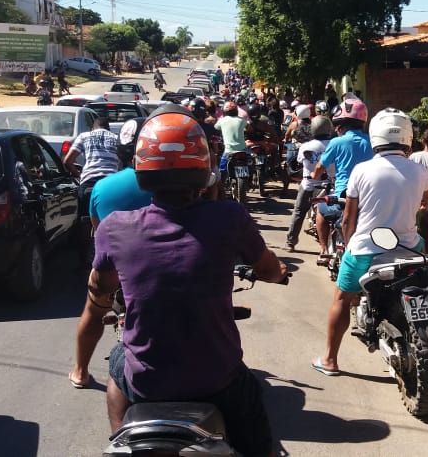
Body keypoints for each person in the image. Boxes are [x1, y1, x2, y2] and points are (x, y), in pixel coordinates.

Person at [86, 107, 288, 457]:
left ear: (142, 167)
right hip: (218, 379)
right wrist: (279, 272)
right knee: (260, 439)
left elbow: (100, 286)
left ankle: (122, 439)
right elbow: (270, 270)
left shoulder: (114, 227)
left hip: (148, 385)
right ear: (203, 167)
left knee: (119, 360)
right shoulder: (230, 217)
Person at [312, 108, 428, 376]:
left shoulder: (361, 171)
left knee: (342, 297)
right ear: (408, 136)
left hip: (366, 249)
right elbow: (426, 202)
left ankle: (330, 360)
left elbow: (348, 220)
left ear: (376, 135)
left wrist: (350, 245)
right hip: (409, 248)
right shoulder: (419, 170)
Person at [69, 116, 155, 390]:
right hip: (164, 268)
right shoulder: (178, 186)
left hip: (115, 273)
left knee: (93, 312)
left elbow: (100, 232)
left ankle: (80, 371)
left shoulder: (103, 187)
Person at [310, 96, 373, 265]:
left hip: (343, 199)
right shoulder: (372, 142)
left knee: (320, 210)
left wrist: (314, 177)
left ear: (341, 125)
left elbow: (319, 168)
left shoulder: (337, 142)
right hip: (368, 199)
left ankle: (323, 249)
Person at [285, 116, 334, 252]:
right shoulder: (335, 144)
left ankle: (290, 242)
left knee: (299, 212)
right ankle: (324, 247)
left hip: (309, 185)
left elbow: (300, 162)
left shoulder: (306, 146)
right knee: (327, 215)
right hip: (329, 186)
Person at [63, 116, 121, 219]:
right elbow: (122, 164)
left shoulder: (84, 136)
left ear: (93, 128)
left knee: (83, 217)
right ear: (108, 129)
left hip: (88, 182)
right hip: (111, 183)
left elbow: (68, 161)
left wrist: (78, 175)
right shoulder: (116, 139)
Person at [214, 100, 249, 181]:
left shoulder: (222, 120)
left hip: (228, 151)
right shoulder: (241, 120)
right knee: (250, 162)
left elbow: (216, 128)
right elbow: (249, 129)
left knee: (222, 170)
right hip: (242, 149)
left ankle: (222, 186)